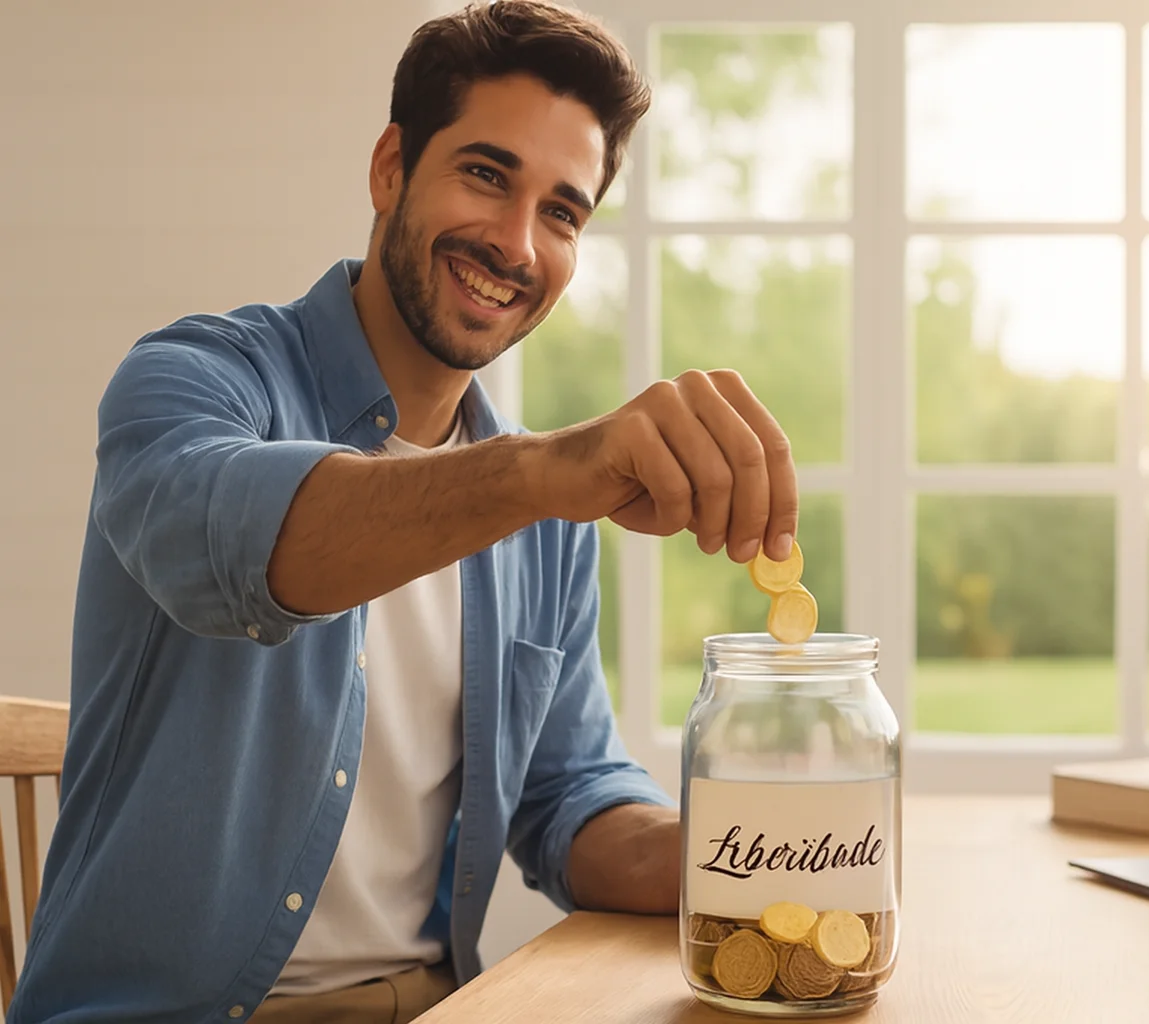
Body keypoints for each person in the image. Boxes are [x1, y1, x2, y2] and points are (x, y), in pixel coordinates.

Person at [8, 2, 798, 1021]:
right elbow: (254, 552)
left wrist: (760, 853)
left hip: (438, 1006)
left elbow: (569, 797)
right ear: (390, 169)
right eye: (486, 174)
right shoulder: (190, 382)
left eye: (562, 211)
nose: (517, 243)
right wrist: (537, 474)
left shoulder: (545, 514)